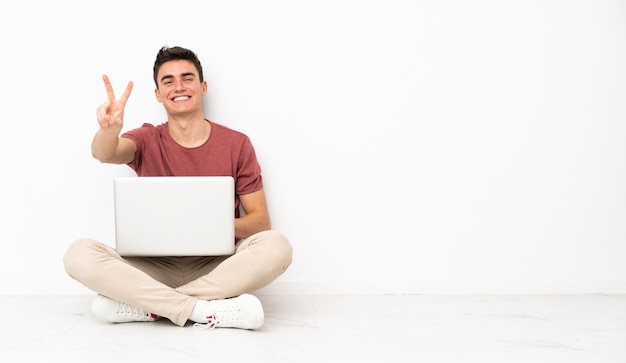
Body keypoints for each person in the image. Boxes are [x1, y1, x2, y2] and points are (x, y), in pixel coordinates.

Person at [63, 46, 293, 330]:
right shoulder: (147, 139)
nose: (178, 87)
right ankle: (201, 309)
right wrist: (109, 131)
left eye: (187, 78)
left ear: (203, 87)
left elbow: (260, 223)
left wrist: (207, 223)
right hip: (152, 268)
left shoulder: (237, 144)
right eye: (168, 81)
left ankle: (150, 306)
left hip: (217, 266)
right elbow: (105, 153)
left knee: (277, 247)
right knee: (78, 254)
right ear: (158, 94)